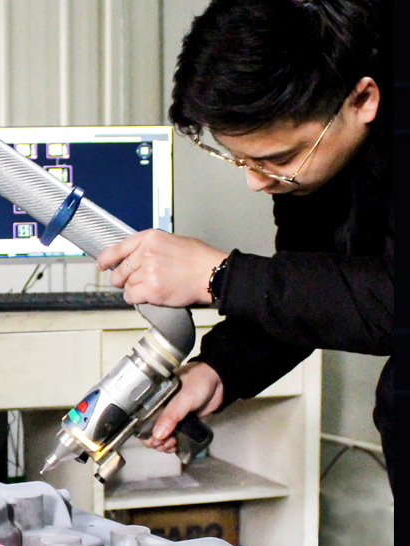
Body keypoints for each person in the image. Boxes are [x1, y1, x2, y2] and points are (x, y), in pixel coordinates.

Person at [96, 0, 393, 491]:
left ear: (362, 99)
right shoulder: (312, 154)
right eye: (242, 160)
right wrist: (221, 367)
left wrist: (217, 276)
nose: (256, 183)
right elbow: (312, 279)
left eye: (279, 158)